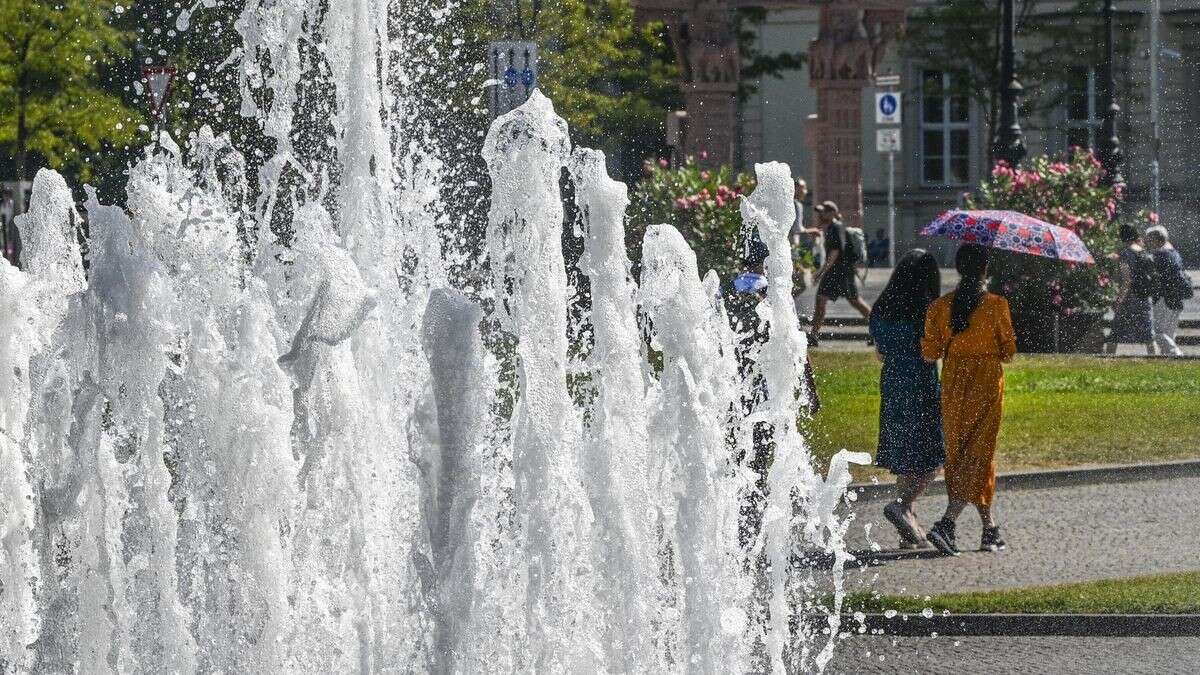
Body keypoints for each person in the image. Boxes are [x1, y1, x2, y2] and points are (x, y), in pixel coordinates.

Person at [921, 243, 1016, 556]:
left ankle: (989, 529)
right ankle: (947, 523)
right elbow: (1009, 352)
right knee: (980, 452)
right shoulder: (996, 304)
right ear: (985, 269)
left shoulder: (940, 306)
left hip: (954, 381)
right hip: (986, 381)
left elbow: (930, 352)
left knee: (961, 453)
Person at [726, 238, 820, 547]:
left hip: (732, 380)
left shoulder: (727, 291)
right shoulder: (774, 297)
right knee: (765, 444)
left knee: (737, 443)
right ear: (766, 262)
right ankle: (758, 501)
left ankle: (738, 501)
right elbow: (797, 345)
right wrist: (810, 387)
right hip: (765, 383)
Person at [869, 250, 944, 549]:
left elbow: (880, 353)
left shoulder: (881, 308)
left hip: (892, 384)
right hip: (921, 383)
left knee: (905, 454)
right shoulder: (927, 310)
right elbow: (931, 352)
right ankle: (903, 505)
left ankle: (908, 526)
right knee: (934, 453)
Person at [808, 201, 871, 347]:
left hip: (841, 272)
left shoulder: (836, 228)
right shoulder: (831, 228)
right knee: (820, 300)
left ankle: (878, 332)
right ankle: (813, 335)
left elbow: (834, 253)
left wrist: (820, 272)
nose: (820, 214)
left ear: (832, 213)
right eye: (820, 211)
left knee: (855, 301)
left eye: (823, 212)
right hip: (836, 272)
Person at [1104, 225, 1156, 355]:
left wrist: (1118, 299)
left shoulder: (1125, 254)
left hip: (1130, 299)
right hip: (1144, 297)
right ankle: (1155, 359)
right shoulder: (1143, 251)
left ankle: (1108, 361)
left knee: (1115, 332)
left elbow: (1127, 280)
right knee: (1148, 334)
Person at [1146, 225, 1190, 357]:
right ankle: (1169, 358)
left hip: (1164, 299)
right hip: (1176, 299)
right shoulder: (1174, 253)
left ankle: (1176, 354)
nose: (1148, 242)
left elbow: (1155, 278)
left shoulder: (1160, 255)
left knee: (1157, 332)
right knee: (1169, 333)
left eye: (1150, 239)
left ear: (1157, 239)